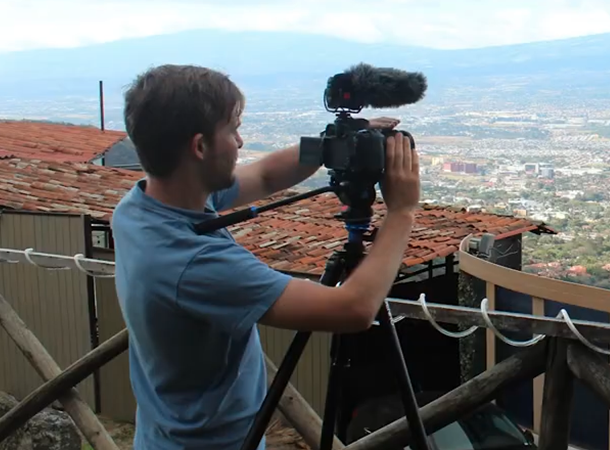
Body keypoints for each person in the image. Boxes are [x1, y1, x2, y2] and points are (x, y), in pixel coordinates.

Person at [110, 64, 422, 450]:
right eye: (232, 129)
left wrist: (332, 144)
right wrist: (402, 212)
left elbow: (265, 177)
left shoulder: (141, 207)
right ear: (200, 147)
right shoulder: (193, 263)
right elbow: (354, 308)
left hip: (162, 434)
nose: (240, 143)